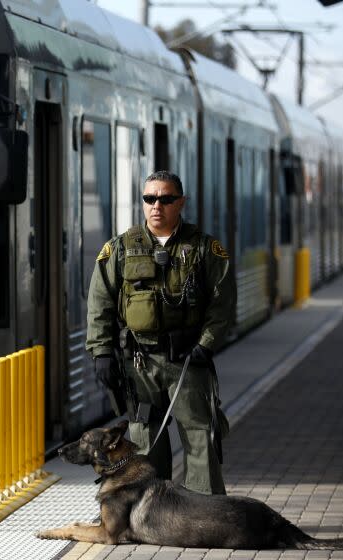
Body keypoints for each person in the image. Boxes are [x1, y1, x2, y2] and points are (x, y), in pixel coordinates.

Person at [85, 170, 236, 495]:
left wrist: (206, 346)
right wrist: (101, 352)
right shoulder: (121, 248)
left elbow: (222, 304)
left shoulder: (205, 249)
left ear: (180, 202)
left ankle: (205, 511)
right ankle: (150, 510)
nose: (157, 206)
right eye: (150, 198)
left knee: (200, 436)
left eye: (166, 199)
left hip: (188, 361)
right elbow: (100, 302)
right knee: (144, 439)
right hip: (140, 362)